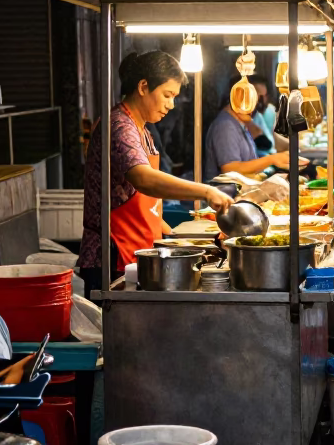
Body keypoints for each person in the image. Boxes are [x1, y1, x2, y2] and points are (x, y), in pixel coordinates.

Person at [78, 50, 233, 296]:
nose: (171, 105)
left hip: (139, 250)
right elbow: (144, 179)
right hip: (112, 257)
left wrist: (172, 237)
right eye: (167, 95)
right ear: (143, 86)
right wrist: (205, 190)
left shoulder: (142, 130)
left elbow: (136, 201)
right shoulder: (118, 126)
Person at [204, 92, 296, 180]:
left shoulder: (240, 123)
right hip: (227, 193)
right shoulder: (225, 126)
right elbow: (230, 169)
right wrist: (272, 159)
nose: (253, 108)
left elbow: (250, 162)